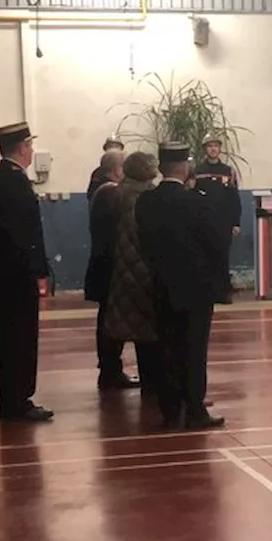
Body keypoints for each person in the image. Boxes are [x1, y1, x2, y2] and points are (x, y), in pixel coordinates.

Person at [138, 142, 228, 429]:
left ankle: (169, 407)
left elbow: (143, 243)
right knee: (194, 348)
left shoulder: (146, 202)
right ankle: (194, 408)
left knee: (166, 345)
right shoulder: (196, 201)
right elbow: (216, 243)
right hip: (196, 287)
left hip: (160, 283)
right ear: (186, 167)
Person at [0, 122, 52, 422]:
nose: (32, 150)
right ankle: (18, 400)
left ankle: (14, 398)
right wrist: (38, 271)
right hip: (17, 274)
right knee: (19, 337)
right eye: (30, 145)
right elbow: (24, 234)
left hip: (3, 271)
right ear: (22, 148)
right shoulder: (14, 182)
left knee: (11, 336)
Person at [98, 152, 162, 402]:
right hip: (142, 271)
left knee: (118, 325)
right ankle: (153, 384)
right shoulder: (146, 199)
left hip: (118, 270)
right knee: (148, 332)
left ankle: (110, 372)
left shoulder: (113, 195)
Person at [85, 150, 140, 391]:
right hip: (110, 264)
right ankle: (110, 370)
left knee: (107, 318)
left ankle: (110, 369)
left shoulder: (100, 190)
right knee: (110, 320)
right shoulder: (110, 193)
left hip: (103, 262)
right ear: (118, 169)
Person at [194, 136, 241, 304]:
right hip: (204, 222)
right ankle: (207, 293)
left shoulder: (229, 171)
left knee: (223, 257)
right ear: (205, 149)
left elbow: (234, 199)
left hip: (224, 222)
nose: (213, 149)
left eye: (216, 146)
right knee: (206, 257)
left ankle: (223, 292)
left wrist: (236, 223)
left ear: (220, 149)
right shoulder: (197, 171)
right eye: (210, 146)